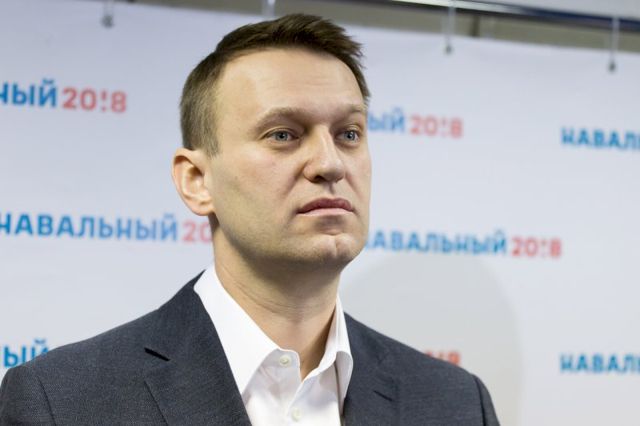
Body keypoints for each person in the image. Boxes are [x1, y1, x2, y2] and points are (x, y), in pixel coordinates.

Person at [0, 14, 499, 425]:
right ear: (197, 181)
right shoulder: (61, 402)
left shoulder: (455, 403)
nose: (330, 164)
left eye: (348, 134)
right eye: (283, 135)